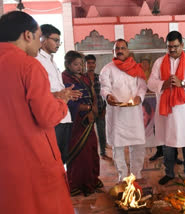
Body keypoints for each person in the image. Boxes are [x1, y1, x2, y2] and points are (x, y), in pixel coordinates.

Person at [0, 11, 74, 213]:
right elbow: (47, 117)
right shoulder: (28, 65)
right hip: (32, 158)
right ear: (27, 35)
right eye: (39, 36)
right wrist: (61, 101)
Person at [148, 31, 185, 185]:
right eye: (169, 47)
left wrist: (183, 83)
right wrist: (163, 84)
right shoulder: (159, 62)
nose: (172, 49)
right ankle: (169, 173)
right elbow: (150, 82)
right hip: (167, 113)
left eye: (175, 46)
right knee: (167, 146)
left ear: (182, 45)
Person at [100, 39, 147, 182]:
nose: (120, 50)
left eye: (122, 48)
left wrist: (139, 97)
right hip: (116, 113)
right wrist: (108, 96)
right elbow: (104, 88)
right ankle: (122, 175)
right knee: (118, 146)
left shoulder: (136, 68)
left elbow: (142, 86)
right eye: (117, 48)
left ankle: (136, 174)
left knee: (138, 144)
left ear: (128, 50)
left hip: (134, 113)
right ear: (113, 52)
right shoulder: (107, 69)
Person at [36, 24, 82, 163]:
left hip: (63, 115)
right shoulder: (36, 61)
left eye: (59, 41)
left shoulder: (51, 60)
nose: (58, 44)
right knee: (51, 160)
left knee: (61, 159)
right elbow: (37, 91)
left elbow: (56, 88)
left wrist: (66, 94)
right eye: (55, 40)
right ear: (43, 39)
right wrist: (58, 94)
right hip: (51, 118)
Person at [62, 51, 102, 196]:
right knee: (80, 153)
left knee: (91, 150)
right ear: (68, 64)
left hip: (89, 120)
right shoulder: (64, 78)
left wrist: (94, 108)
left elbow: (93, 96)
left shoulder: (85, 78)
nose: (79, 67)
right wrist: (88, 108)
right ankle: (77, 184)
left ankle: (91, 179)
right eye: (76, 64)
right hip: (76, 122)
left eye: (81, 64)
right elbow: (67, 102)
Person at [84, 54, 108, 159]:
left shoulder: (100, 77)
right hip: (87, 111)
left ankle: (103, 152)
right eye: (88, 63)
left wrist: (104, 109)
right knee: (88, 134)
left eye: (92, 63)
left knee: (102, 133)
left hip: (100, 110)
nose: (91, 65)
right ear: (85, 64)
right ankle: (90, 153)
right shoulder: (82, 79)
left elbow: (105, 93)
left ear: (95, 64)